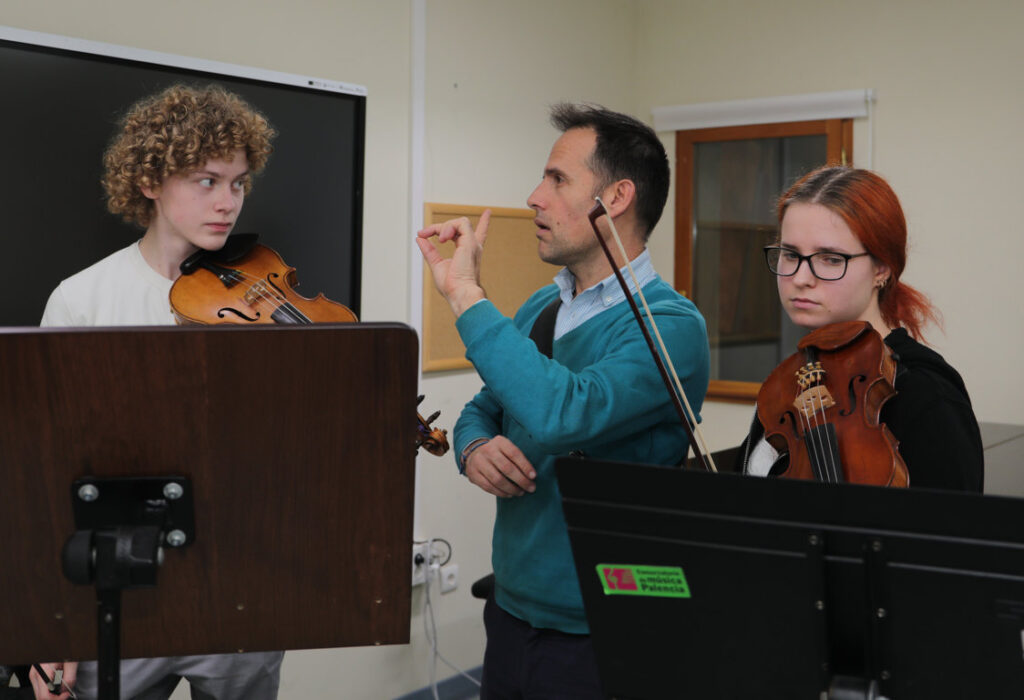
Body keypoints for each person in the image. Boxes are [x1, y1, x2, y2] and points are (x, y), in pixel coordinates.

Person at [416, 104, 710, 697]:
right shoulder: (538, 309)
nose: (534, 196)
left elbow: (562, 413)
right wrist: (471, 448)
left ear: (616, 197)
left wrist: (469, 296)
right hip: (511, 607)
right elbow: (483, 408)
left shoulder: (669, 327)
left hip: (605, 629)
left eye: (557, 179)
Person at [32, 84, 283, 699]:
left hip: (235, 584)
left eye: (239, 183)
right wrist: (45, 625)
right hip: (118, 584)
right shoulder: (81, 299)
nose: (228, 202)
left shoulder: (264, 295)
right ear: (150, 182)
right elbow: (41, 473)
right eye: (206, 180)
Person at [738, 165, 983, 492]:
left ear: (882, 268)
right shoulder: (788, 384)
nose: (800, 278)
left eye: (830, 259)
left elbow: (952, 532)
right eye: (790, 254)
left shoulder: (925, 391)